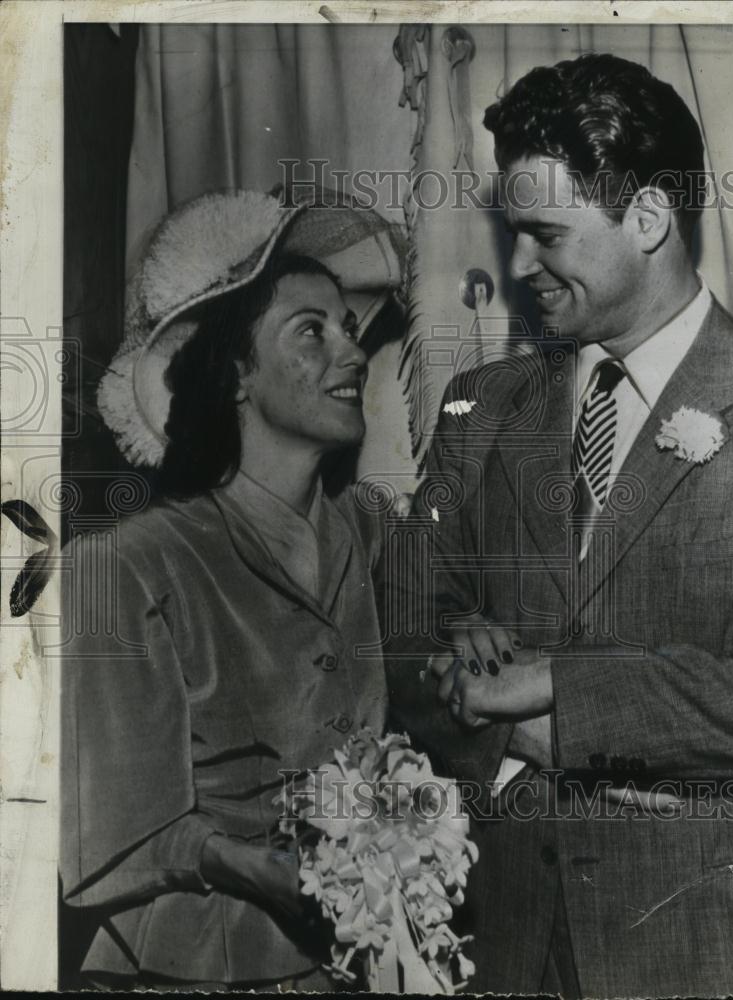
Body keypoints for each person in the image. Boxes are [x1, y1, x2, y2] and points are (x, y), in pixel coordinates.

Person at [385, 53, 733, 998]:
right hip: (506, 942)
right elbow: (402, 627)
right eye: (513, 234)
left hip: (713, 952)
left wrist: (558, 696)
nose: (518, 266)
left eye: (545, 234)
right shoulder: (476, 407)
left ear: (649, 218)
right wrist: (486, 709)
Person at [60, 190, 401, 990]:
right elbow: (109, 828)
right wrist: (250, 866)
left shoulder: (371, 530)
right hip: (191, 966)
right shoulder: (129, 566)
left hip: (355, 959)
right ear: (237, 374)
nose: (353, 355)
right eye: (311, 332)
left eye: (348, 330)